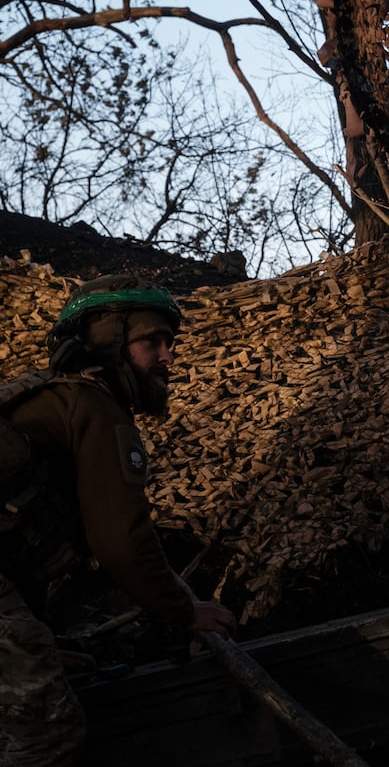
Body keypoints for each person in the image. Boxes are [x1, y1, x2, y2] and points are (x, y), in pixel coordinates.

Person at [0, 275, 236, 765]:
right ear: (108, 340)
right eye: (153, 341)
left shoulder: (46, 400)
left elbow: (15, 547)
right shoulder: (93, 405)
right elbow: (120, 540)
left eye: (170, 342)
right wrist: (184, 610)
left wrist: (37, 646)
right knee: (47, 737)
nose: (169, 356)